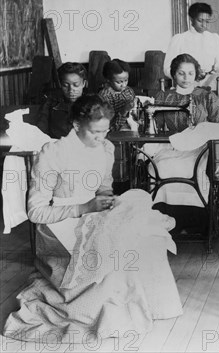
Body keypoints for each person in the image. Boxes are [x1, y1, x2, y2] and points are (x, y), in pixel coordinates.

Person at [3, 95, 182, 343]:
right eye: (95, 132)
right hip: (59, 224)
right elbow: (36, 212)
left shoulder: (106, 149)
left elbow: (103, 190)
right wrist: (83, 207)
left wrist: (108, 202)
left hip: (92, 215)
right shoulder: (52, 153)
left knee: (144, 230)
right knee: (115, 249)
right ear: (76, 126)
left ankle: (150, 305)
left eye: (105, 131)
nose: (101, 138)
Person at [151, 53, 219, 233]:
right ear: (173, 74)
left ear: (196, 74)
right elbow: (156, 125)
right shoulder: (163, 97)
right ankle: (167, 221)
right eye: (181, 73)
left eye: (190, 73)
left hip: (199, 148)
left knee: (193, 168)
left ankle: (194, 222)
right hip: (172, 146)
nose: (186, 78)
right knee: (160, 166)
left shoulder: (207, 96)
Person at [35, 62, 87, 139]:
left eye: (76, 85)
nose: (71, 90)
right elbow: (41, 129)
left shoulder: (91, 104)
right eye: (65, 85)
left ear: (84, 83)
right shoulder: (51, 102)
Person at [98, 59, 136, 132]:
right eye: (119, 82)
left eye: (126, 80)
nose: (124, 85)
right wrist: (124, 111)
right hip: (114, 132)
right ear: (108, 80)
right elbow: (110, 125)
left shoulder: (129, 91)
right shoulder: (105, 96)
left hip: (131, 127)